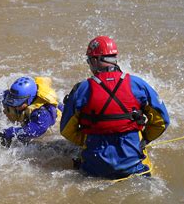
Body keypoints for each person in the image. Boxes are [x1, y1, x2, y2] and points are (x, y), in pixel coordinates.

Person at [60, 36, 170, 179]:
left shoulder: (81, 89)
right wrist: (144, 140)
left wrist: (87, 140)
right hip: (134, 168)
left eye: (88, 61)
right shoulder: (138, 85)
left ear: (94, 60)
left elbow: (66, 130)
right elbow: (162, 121)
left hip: (93, 169)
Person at [0, 76, 62, 147]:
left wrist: (13, 131)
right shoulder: (17, 95)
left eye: (18, 101)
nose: (14, 105)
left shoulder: (41, 112)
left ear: (29, 99)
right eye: (13, 99)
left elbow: (35, 130)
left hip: (54, 124)